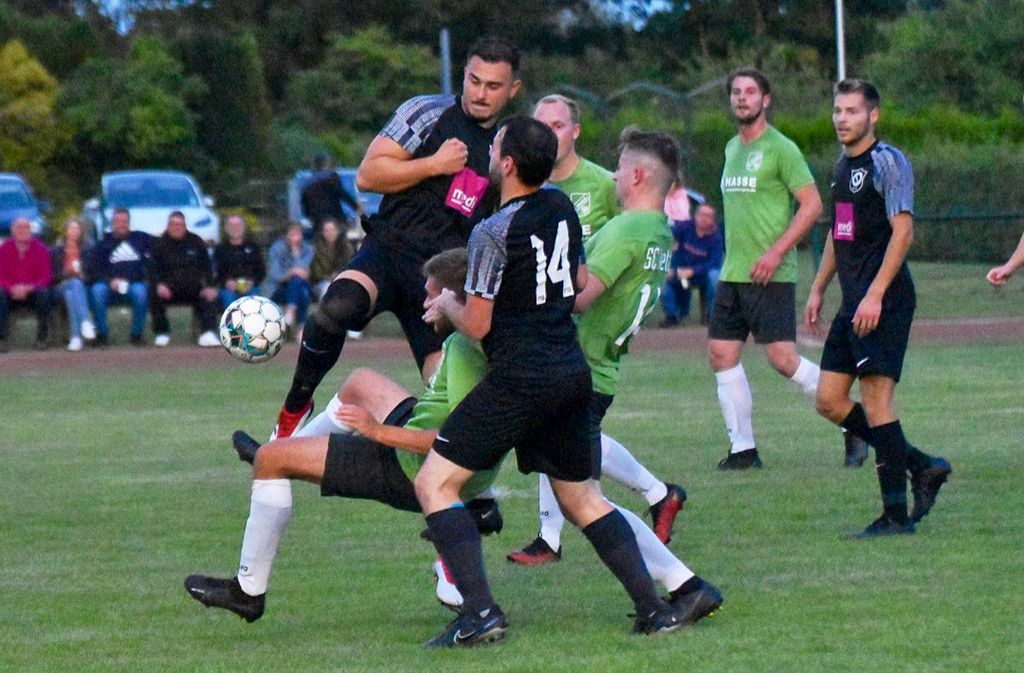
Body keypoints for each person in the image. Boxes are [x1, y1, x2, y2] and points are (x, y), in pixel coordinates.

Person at [184, 248, 719, 634]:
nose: (422, 303)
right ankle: (297, 448)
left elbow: (450, 441)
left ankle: (248, 590)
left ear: (451, 298)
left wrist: (375, 431)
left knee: (273, 461)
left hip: (411, 463)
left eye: (429, 295)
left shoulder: (466, 350)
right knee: (361, 381)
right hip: (443, 435)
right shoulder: (495, 337)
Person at [417, 116, 711, 647]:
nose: (491, 152)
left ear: (508, 163)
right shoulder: (559, 208)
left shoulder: (491, 231)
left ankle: (480, 613)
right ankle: (654, 608)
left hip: (520, 377)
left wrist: (448, 305)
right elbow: (575, 280)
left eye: (496, 146)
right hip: (570, 373)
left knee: (434, 483)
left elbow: (477, 325)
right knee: (583, 500)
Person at [270, 36, 522, 441]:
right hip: (387, 250)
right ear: (464, 74)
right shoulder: (425, 112)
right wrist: (433, 164)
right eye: (474, 81)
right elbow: (368, 175)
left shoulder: (506, 148)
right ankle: (294, 409)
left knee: (448, 397)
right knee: (334, 310)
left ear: (513, 90)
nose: (480, 93)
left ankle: (440, 476)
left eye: (493, 86)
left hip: (442, 278)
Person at [507, 127, 689, 566]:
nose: (614, 176)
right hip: (599, 366)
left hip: (582, 365)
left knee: (586, 503)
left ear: (639, 175)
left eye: (621, 168)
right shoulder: (657, 231)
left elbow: (579, 296)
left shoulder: (626, 229)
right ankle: (558, 537)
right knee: (566, 473)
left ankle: (676, 577)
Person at [804, 79, 952, 537]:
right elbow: (840, 233)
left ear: (873, 115)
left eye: (852, 111)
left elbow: (903, 232)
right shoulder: (841, 168)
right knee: (829, 400)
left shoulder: (888, 161)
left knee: (876, 401)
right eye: (838, 110)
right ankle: (921, 465)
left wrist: (875, 294)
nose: (842, 119)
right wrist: (818, 287)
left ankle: (895, 516)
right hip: (853, 301)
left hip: (883, 299)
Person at [710, 67, 867, 470]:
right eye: (736, 91)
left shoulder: (781, 148)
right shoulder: (731, 148)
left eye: (750, 92)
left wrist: (775, 253)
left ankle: (852, 420)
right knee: (721, 354)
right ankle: (743, 451)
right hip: (733, 272)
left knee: (782, 359)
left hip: (770, 273)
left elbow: (812, 206)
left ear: (766, 100)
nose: (742, 97)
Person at [533, 93, 619, 240]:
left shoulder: (606, 184)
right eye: (542, 127)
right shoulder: (523, 184)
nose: (549, 135)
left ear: (575, 131)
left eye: (558, 126)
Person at [149, 211, 220, 347]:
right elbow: (152, 270)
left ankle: (208, 333)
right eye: (173, 224)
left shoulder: (196, 241)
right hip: (168, 290)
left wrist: (210, 286)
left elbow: (207, 267)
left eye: (180, 224)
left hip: (193, 289)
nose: (176, 227)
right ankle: (162, 333)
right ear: (168, 226)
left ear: (185, 226)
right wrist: (158, 285)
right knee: (154, 294)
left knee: (209, 295)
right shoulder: (159, 244)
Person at [88, 207, 151, 346]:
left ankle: (136, 334)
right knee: (97, 291)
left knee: (141, 292)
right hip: (108, 285)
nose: (121, 224)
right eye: (118, 221)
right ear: (112, 223)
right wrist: (110, 281)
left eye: (125, 221)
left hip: (134, 283)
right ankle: (102, 334)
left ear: (129, 223)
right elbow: (93, 270)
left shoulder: (141, 238)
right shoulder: (103, 243)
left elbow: (161, 245)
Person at [660, 203, 723, 327]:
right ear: (695, 215)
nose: (704, 218)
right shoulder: (685, 227)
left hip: (702, 275)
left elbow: (714, 263)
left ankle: (712, 317)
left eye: (708, 216)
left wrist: (693, 271)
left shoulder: (716, 237)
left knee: (715, 276)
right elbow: (665, 234)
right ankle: (671, 316)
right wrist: (668, 244)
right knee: (662, 277)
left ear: (713, 220)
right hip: (679, 272)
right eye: (701, 214)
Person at [0, 217, 53, 351]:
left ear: (31, 230)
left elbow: (46, 277)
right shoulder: (4, 249)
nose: (23, 231)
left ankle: (42, 338)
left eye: (26, 227)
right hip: (10, 293)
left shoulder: (41, 249)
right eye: (19, 227)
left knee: (44, 293)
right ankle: (2, 339)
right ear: (12, 231)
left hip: (33, 293)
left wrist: (29, 288)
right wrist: (11, 288)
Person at [50, 217, 97, 351]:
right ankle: (85, 321)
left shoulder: (87, 249)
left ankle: (76, 338)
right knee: (72, 285)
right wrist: (66, 274)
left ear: (81, 232)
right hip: (60, 286)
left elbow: (92, 274)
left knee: (72, 293)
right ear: (66, 231)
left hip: (80, 288)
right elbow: (53, 276)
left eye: (77, 229)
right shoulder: (57, 251)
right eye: (71, 228)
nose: (74, 231)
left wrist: (82, 276)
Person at [267, 222, 314, 340]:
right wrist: (291, 272)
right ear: (285, 236)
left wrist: (295, 252)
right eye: (292, 234)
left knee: (299, 285)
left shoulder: (308, 249)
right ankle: (301, 327)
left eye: (298, 233)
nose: (295, 237)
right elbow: (276, 275)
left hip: (302, 286)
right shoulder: (276, 249)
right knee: (300, 288)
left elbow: (306, 273)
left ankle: (291, 309)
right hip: (280, 289)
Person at [300, 153, 362, 237]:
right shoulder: (332, 177)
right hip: (336, 221)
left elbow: (305, 209)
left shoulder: (306, 184)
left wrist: (313, 217)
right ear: (326, 164)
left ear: (313, 165)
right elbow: (342, 194)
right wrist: (356, 206)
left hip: (318, 224)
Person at [213, 214, 265, 309]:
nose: (235, 228)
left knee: (252, 301)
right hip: (228, 289)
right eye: (231, 225)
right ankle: (232, 319)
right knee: (229, 299)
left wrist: (252, 282)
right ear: (226, 228)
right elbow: (215, 272)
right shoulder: (220, 249)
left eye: (238, 225)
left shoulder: (253, 247)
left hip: (250, 287)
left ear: (244, 227)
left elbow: (261, 271)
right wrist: (226, 282)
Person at [309, 218, 354, 299]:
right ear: (322, 232)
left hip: (342, 279)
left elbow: (350, 265)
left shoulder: (345, 247)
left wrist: (338, 275)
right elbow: (316, 272)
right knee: (327, 287)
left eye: (332, 230)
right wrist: (329, 277)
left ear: (337, 231)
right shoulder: (316, 247)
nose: (330, 233)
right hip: (321, 282)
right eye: (326, 231)